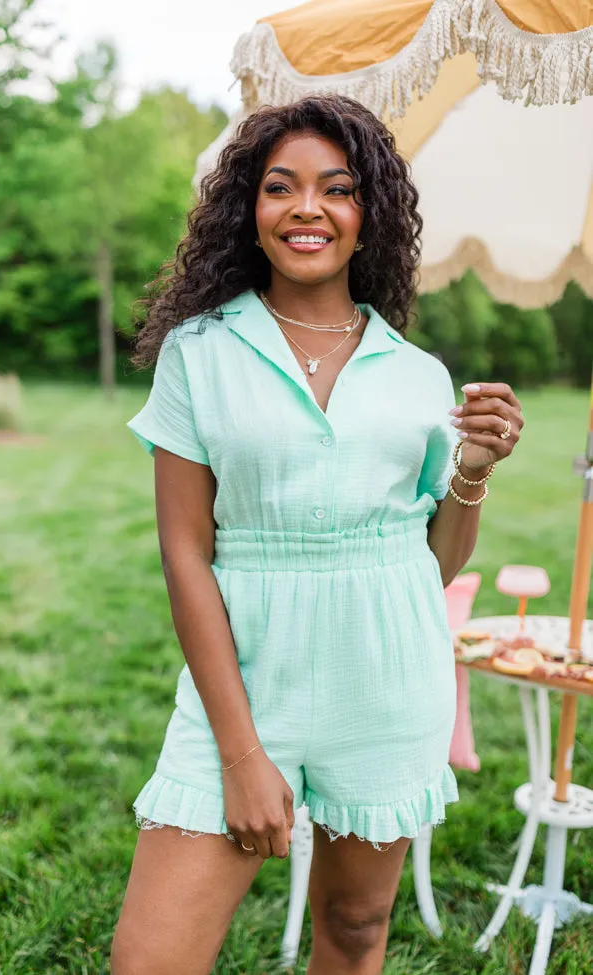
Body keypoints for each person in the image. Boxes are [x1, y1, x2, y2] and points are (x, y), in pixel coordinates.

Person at [111, 94, 523, 975]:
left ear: (367, 212)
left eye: (336, 189)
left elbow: (432, 563)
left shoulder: (419, 376)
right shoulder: (201, 350)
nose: (307, 208)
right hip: (247, 686)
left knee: (355, 927)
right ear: (248, 211)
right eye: (279, 188)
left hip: (387, 685)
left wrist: (475, 469)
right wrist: (243, 752)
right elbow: (186, 552)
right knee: (150, 958)